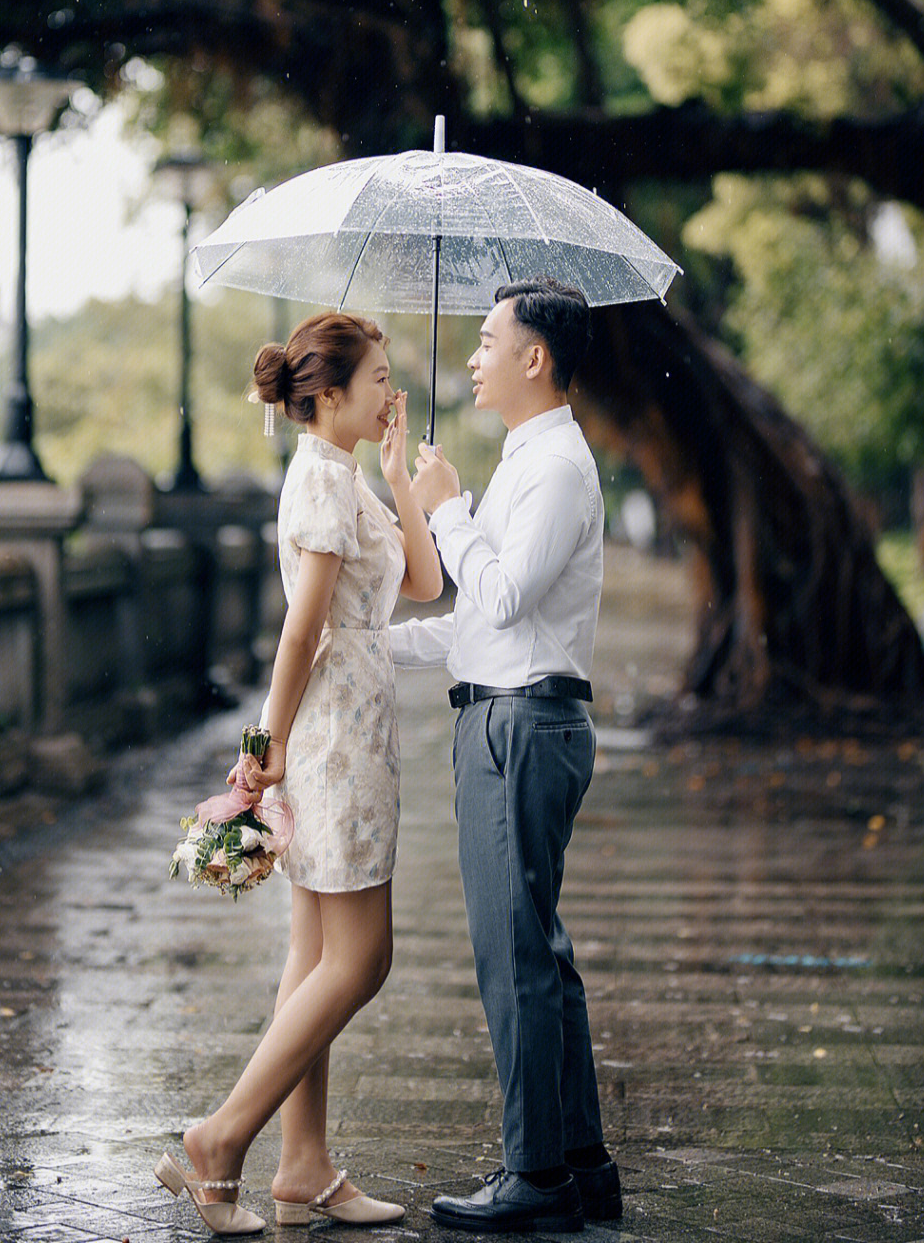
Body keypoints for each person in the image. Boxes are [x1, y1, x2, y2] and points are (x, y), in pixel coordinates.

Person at [156, 311, 443, 1235]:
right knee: (363, 959)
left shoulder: (348, 475)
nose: (391, 391)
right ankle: (223, 1137)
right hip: (334, 738)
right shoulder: (320, 480)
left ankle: (304, 1161)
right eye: (378, 379)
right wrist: (264, 745)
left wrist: (401, 476)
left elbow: (426, 585)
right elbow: (303, 627)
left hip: (352, 724)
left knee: (317, 956)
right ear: (328, 395)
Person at [390, 278, 622, 1232]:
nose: (475, 357)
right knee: (542, 952)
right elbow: (475, 625)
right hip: (509, 712)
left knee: (515, 954)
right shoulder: (533, 461)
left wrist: (446, 511)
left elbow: (509, 595)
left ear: (536, 358)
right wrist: (366, 647)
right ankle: (579, 1162)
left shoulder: (557, 466)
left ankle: (534, 1175)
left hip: (522, 728)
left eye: (489, 341)